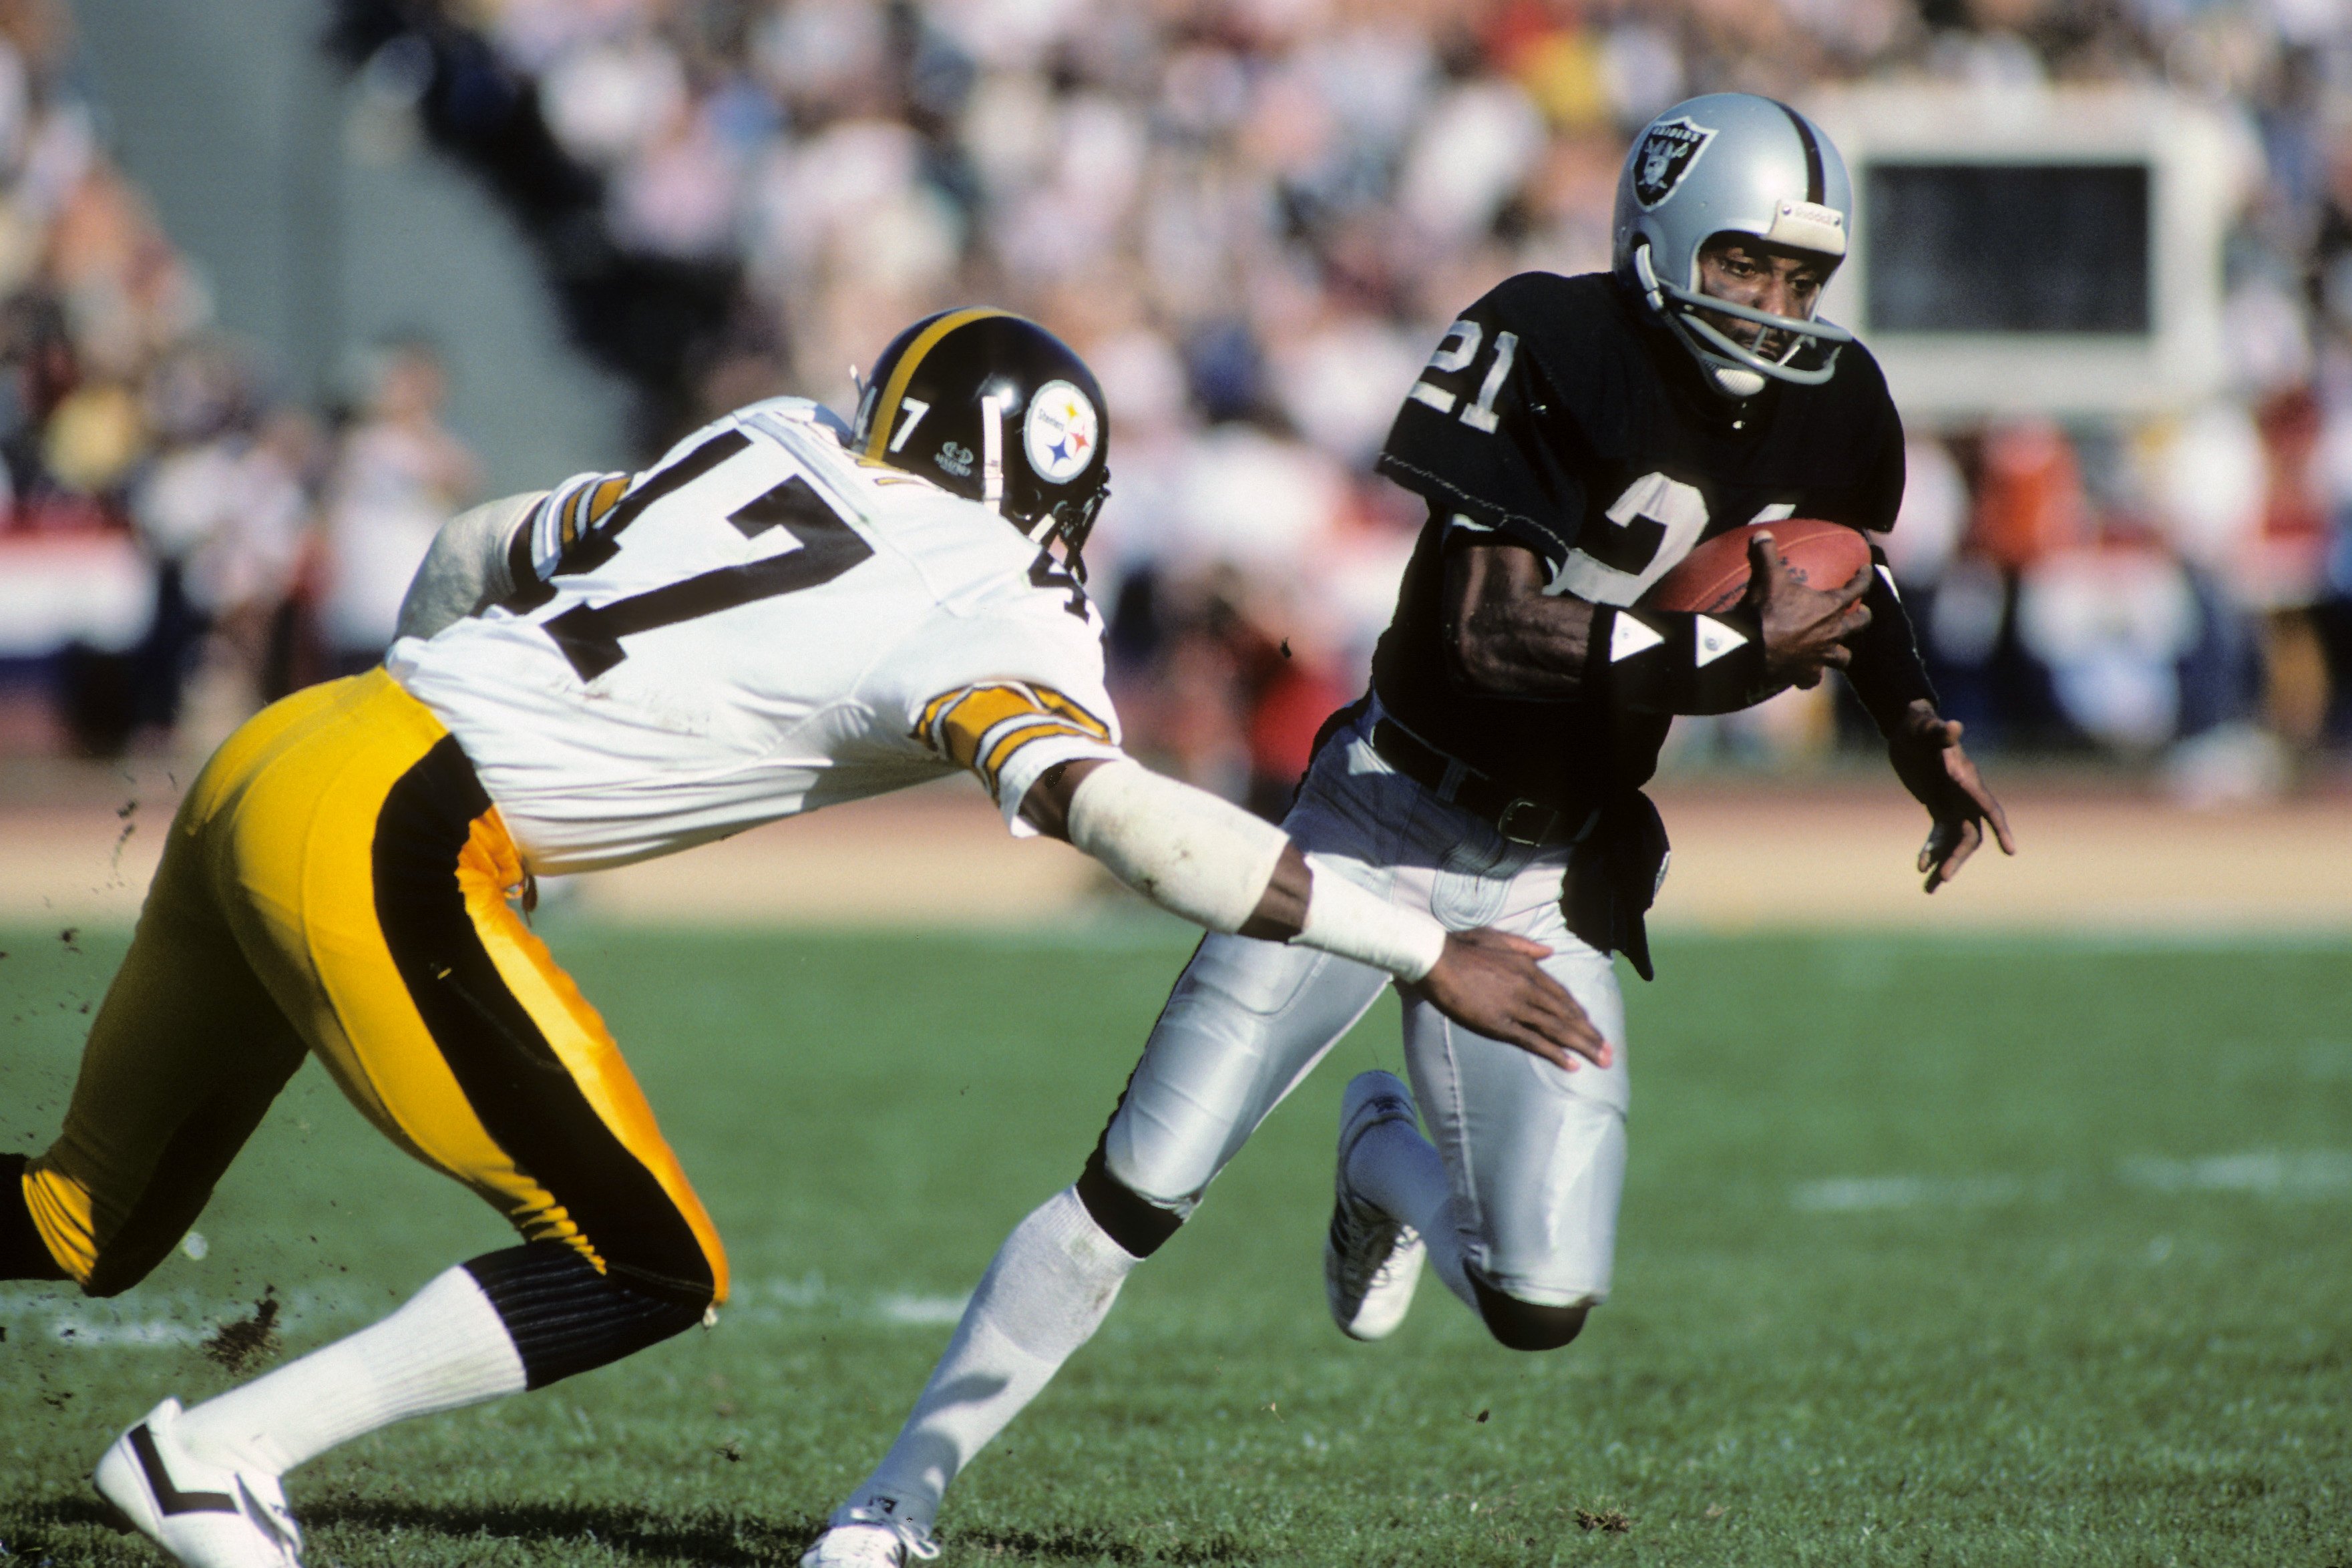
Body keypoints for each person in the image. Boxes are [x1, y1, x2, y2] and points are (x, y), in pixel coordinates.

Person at [0, 309, 1598, 1568]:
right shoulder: (998, 602)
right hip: (388, 823)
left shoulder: (774, 441)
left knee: (86, 1214)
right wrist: (1415, 946)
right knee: (642, 1262)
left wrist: (442, 703)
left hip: (301, 740)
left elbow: (482, 543)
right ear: (1060, 495)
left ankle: (209, 1448)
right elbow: (1127, 825)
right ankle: (215, 1453)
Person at [802, 95, 2016, 1568]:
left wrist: (1909, 726)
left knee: (1538, 1301)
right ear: (1663, 240)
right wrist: (1727, 666)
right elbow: (1492, 630)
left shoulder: (1837, 402)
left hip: (1555, 866)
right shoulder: (1546, 339)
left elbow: (1841, 580)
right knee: (1138, 1189)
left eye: (1801, 280)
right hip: (1381, 815)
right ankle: (895, 1499)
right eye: (1747, 266)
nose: (1777, 306)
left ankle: (1381, 1153)